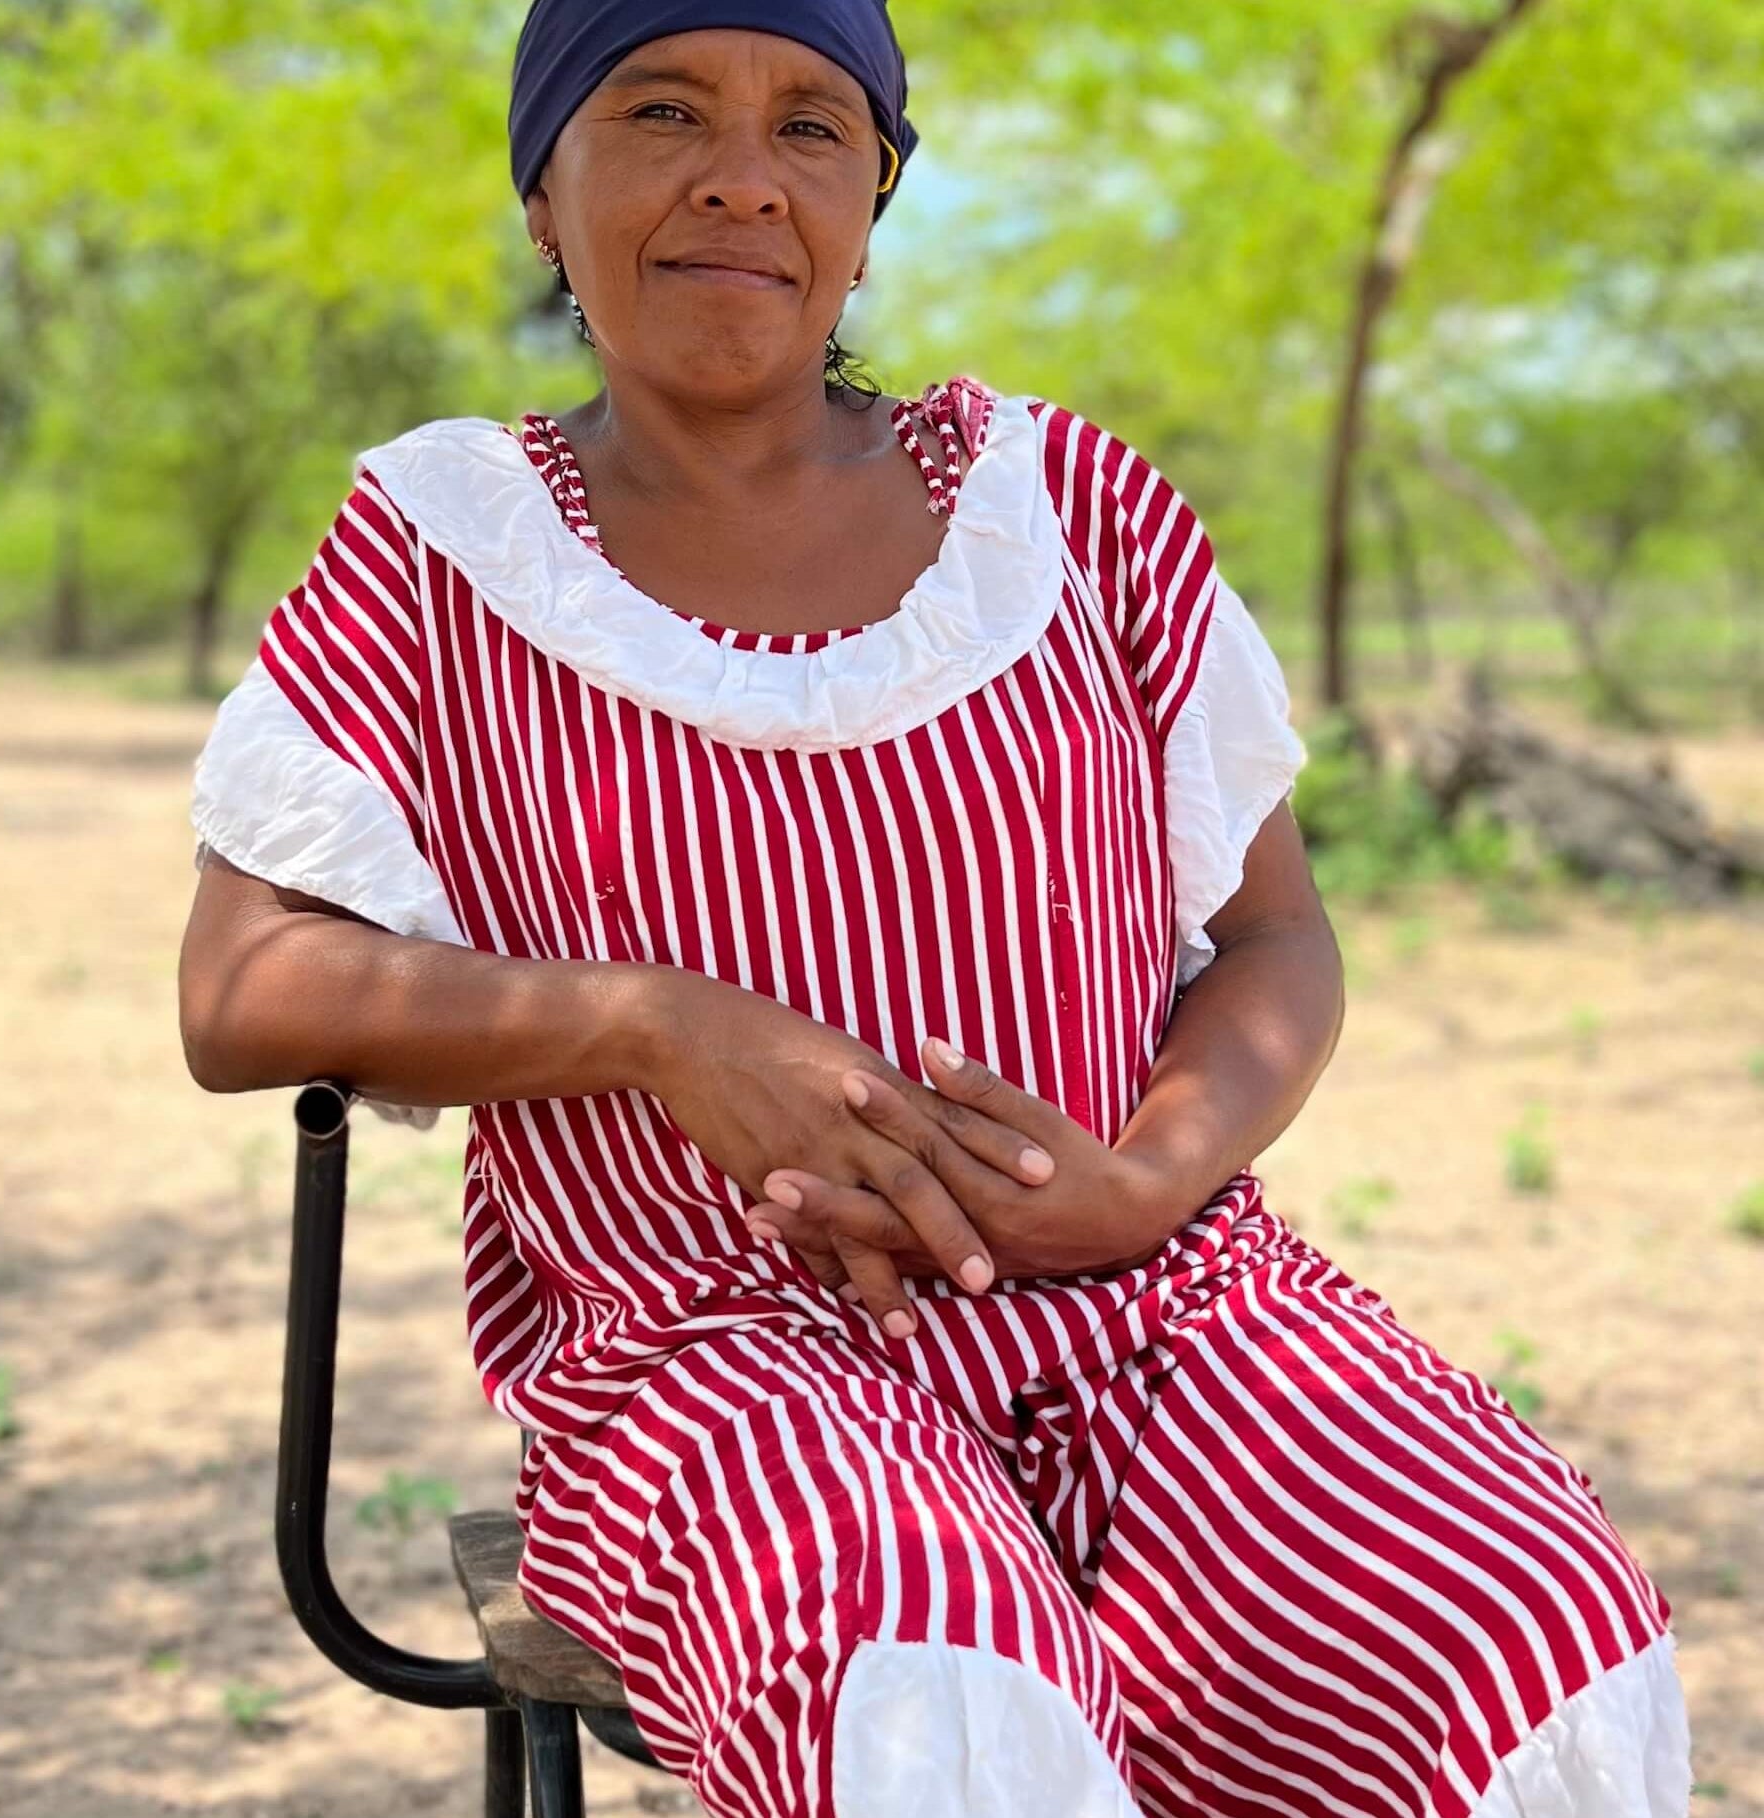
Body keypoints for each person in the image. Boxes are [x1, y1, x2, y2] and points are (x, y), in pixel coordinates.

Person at [177, 5, 1689, 1814]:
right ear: (540, 192)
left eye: (815, 128)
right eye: (662, 109)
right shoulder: (443, 552)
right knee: (935, 1691)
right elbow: (242, 984)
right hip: (727, 1365)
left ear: (874, 198)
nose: (744, 176)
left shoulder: (1077, 512)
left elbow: (1279, 940)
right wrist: (656, 1022)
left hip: (1166, 1311)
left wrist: (1150, 1174)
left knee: (1519, 1626)